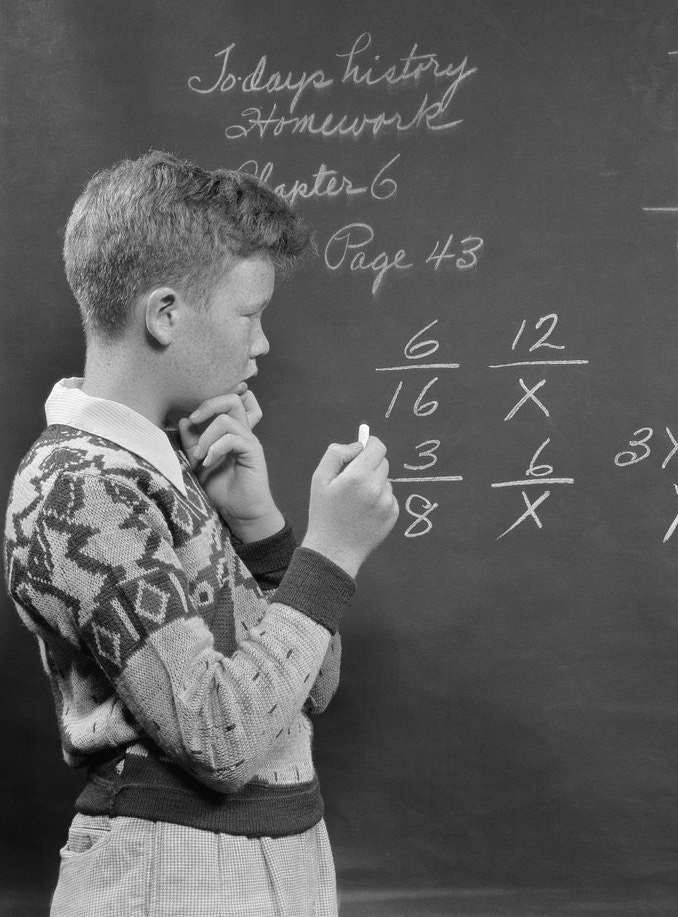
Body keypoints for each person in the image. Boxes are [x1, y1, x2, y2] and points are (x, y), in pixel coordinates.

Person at [3, 150, 399, 917]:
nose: (263, 345)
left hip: (263, 866)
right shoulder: (82, 486)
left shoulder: (163, 469)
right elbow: (221, 736)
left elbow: (309, 689)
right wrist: (333, 551)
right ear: (165, 315)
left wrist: (263, 530)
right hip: (172, 877)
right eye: (249, 314)